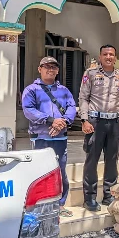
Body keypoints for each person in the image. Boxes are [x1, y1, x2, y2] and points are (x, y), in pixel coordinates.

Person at [79, 45, 119, 212]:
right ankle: (89, 197)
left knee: (112, 160)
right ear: (100, 57)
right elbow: (83, 97)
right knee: (91, 160)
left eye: (111, 54)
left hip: (115, 122)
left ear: (115, 57)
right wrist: (84, 120)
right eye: (105, 54)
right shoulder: (91, 74)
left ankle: (109, 195)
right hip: (95, 122)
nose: (108, 57)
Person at [22, 56, 77, 217]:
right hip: (40, 138)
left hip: (60, 138)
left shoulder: (64, 91)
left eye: (53, 67)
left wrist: (64, 122)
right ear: (40, 69)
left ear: (58, 71)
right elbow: (29, 110)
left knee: (60, 172)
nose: (50, 69)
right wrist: (52, 121)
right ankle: (38, 206)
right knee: (40, 172)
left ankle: (59, 205)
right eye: (46, 66)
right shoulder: (32, 90)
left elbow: (72, 107)